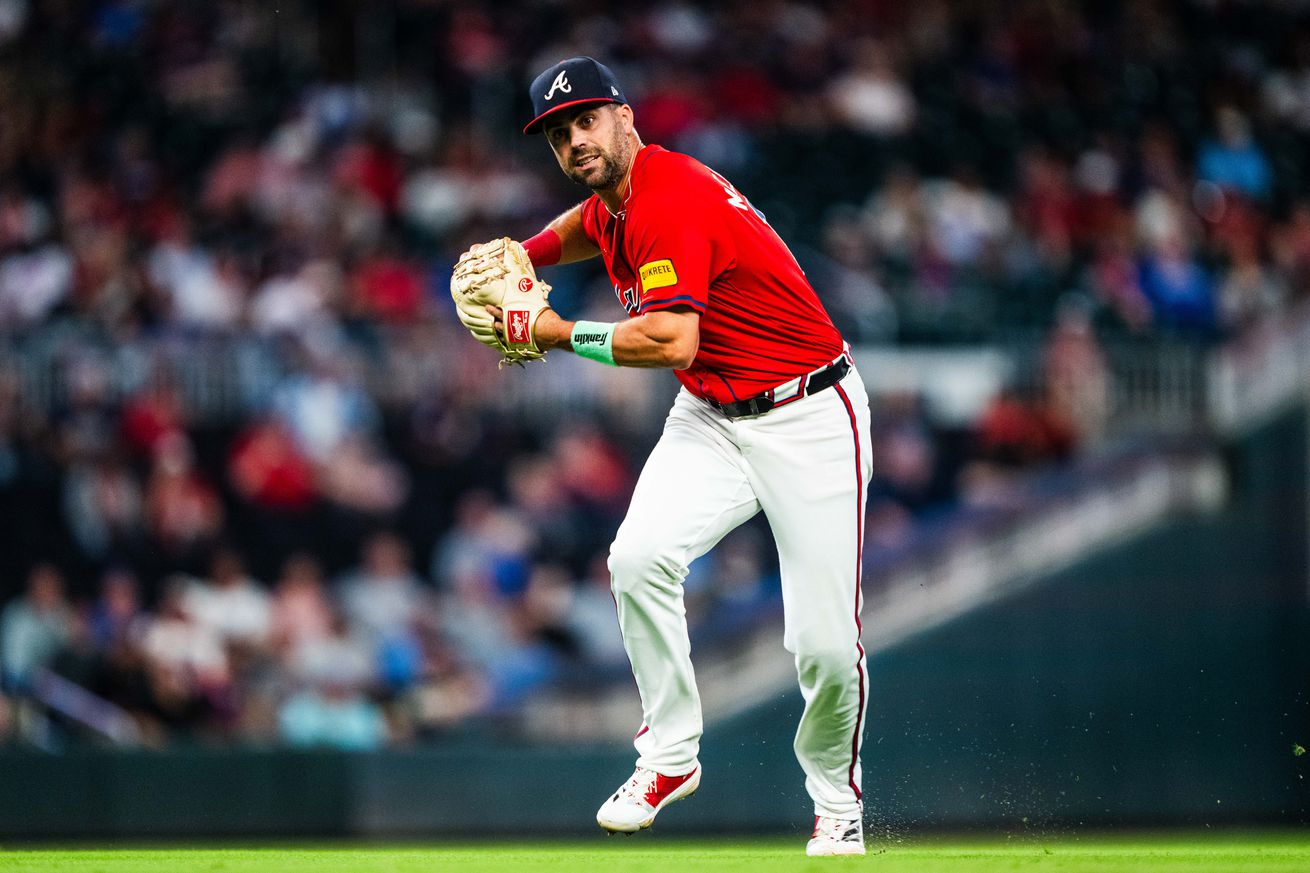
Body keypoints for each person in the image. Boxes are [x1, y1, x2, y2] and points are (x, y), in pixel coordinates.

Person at [461, 57, 872, 857]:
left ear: (624, 115)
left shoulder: (669, 198)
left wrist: (550, 332)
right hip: (713, 414)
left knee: (822, 644)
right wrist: (528, 252)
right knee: (638, 557)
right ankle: (670, 756)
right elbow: (590, 222)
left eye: (585, 119)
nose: (575, 140)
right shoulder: (619, 199)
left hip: (810, 412)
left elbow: (669, 338)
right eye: (557, 133)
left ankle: (836, 801)